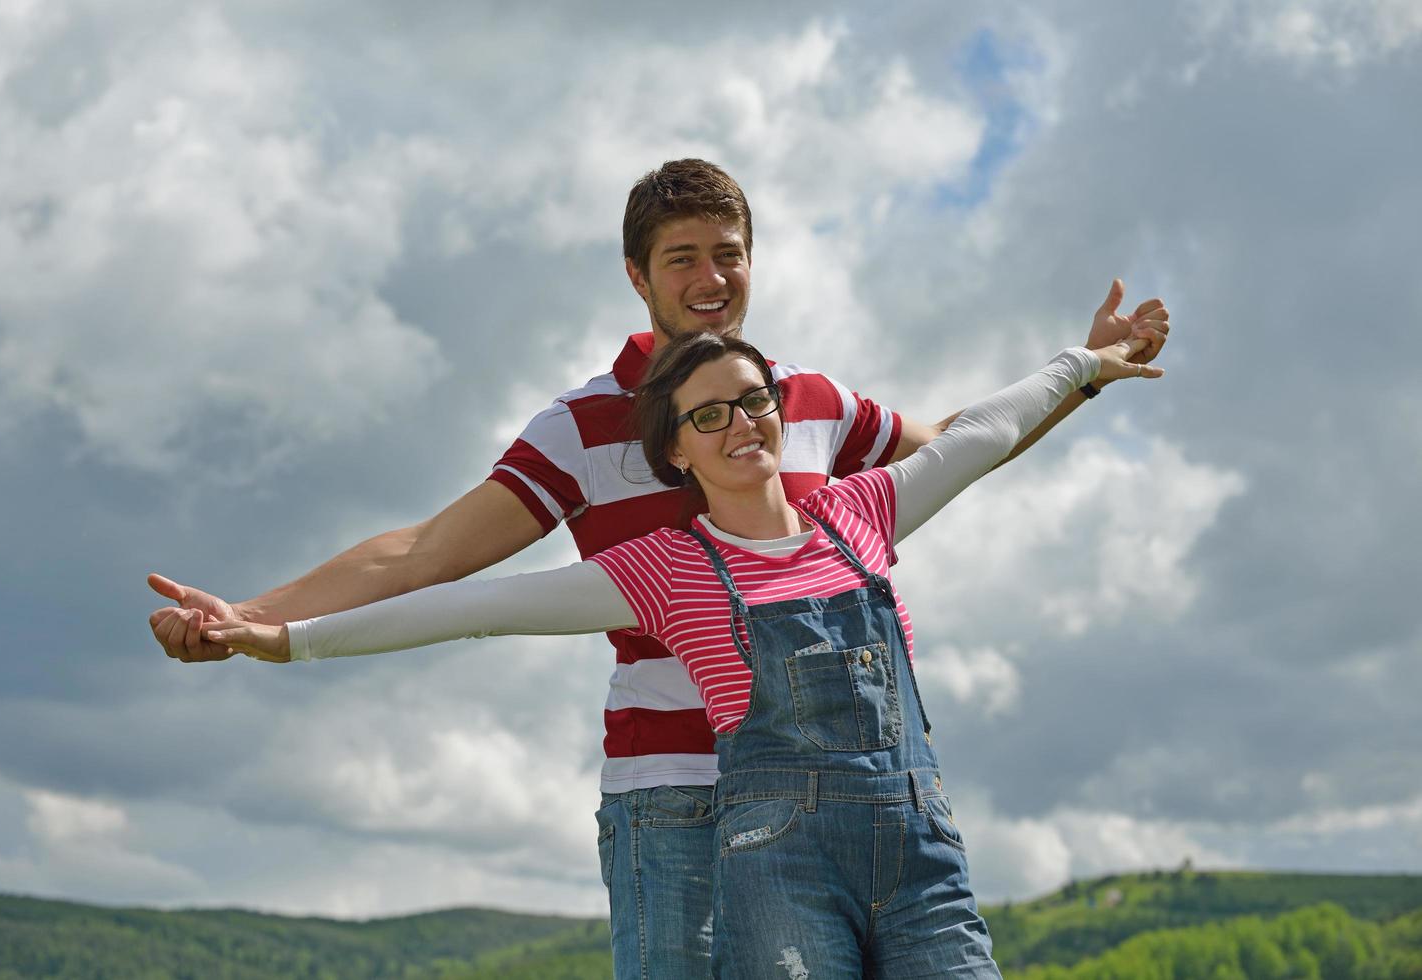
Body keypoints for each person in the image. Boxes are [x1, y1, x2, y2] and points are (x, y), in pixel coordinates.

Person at [149, 159, 1170, 978]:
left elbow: (955, 445)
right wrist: (250, 620)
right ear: (637, 277)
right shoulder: (584, 423)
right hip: (675, 790)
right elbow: (428, 555)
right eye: (680, 258)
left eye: (727, 253)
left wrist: (1081, 374)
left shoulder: (804, 399)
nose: (709, 279)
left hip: (870, 803)